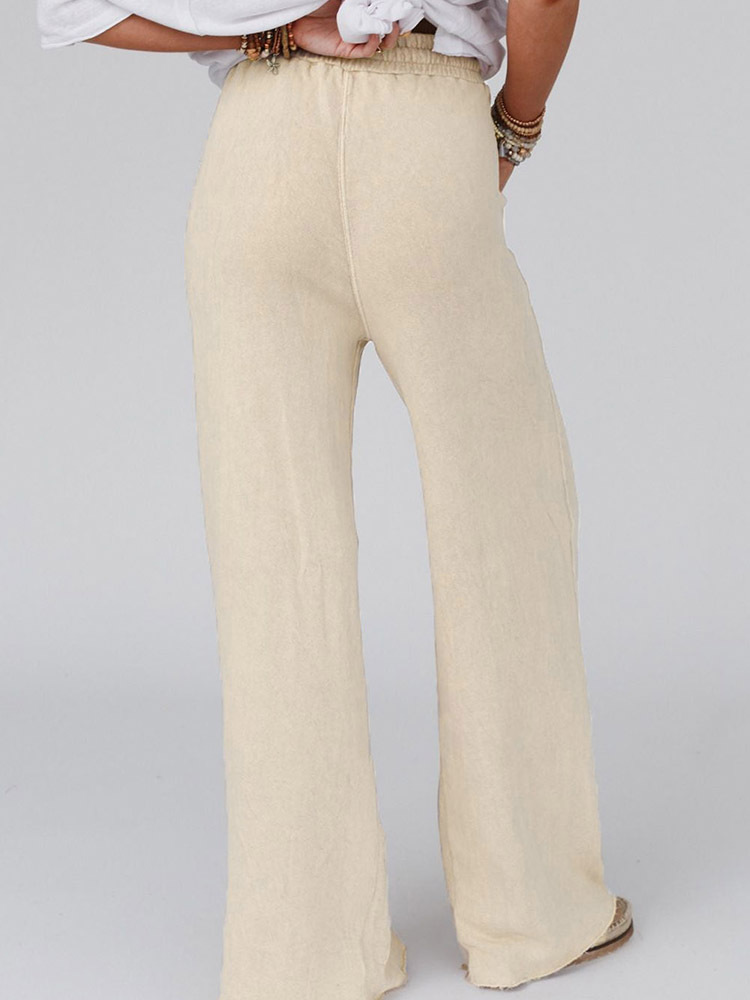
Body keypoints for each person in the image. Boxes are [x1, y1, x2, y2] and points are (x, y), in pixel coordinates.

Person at [36, 2, 633, 997]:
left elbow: (73, 7)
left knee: (273, 559)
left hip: (256, 153)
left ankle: (302, 953)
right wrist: (518, 124)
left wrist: (270, 29)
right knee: (502, 524)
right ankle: (531, 914)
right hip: (421, 126)